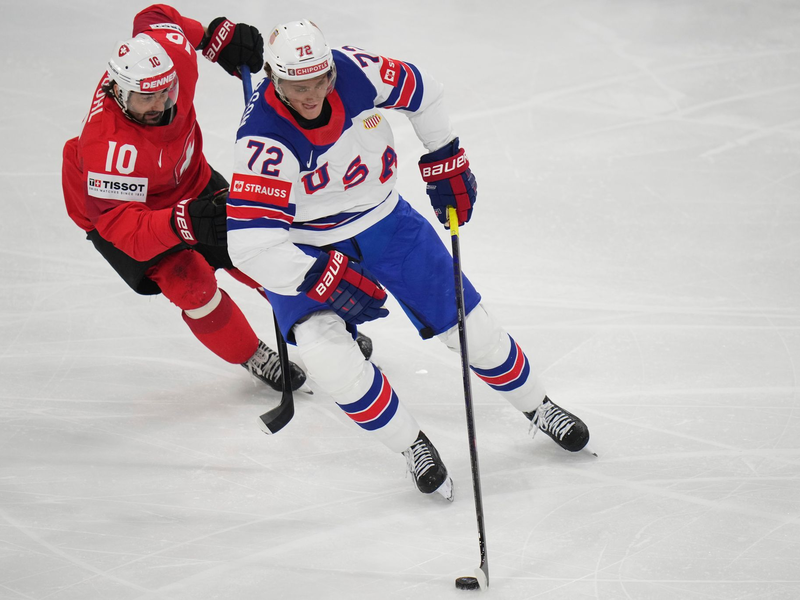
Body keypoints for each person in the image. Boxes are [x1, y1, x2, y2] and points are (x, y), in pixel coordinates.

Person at [227, 20, 591, 500]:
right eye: (298, 85)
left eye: (320, 80)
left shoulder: (356, 71)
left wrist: (446, 156)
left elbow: (427, 92)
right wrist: (318, 274)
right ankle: (411, 445)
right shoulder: (262, 141)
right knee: (327, 358)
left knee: (469, 326)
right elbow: (249, 246)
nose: (312, 93)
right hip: (306, 244)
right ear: (275, 78)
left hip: (388, 224)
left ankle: (538, 406)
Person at [59, 4, 317, 393]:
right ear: (117, 91)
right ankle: (252, 354)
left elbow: (155, 16)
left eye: (166, 92)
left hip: (191, 183)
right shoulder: (106, 147)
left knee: (256, 246)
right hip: (127, 214)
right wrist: (183, 221)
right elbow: (125, 229)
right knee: (191, 284)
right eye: (146, 98)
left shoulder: (172, 59)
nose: (160, 105)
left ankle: (318, 331)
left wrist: (215, 35)